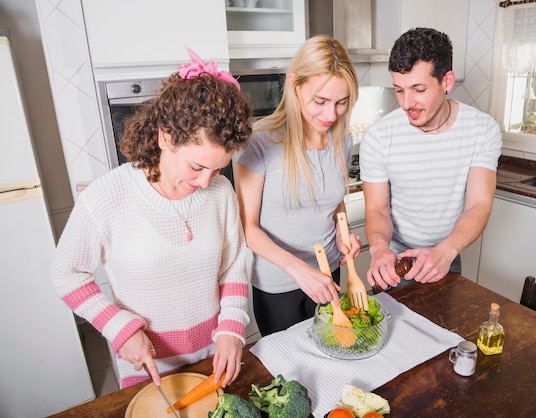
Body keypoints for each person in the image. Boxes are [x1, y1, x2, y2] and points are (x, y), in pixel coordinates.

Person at [51, 50, 253, 390]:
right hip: (146, 364)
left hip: (211, 355)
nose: (206, 181)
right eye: (197, 166)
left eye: (219, 168)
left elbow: (233, 265)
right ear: (165, 137)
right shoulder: (106, 196)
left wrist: (232, 326)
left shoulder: (220, 192)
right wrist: (118, 327)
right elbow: (65, 273)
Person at [235, 35, 361, 336]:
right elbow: (247, 228)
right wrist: (299, 270)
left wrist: (345, 236)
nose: (331, 115)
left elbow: (334, 201)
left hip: (330, 272)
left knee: (331, 350)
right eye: (320, 101)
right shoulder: (261, 143)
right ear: (295, 85)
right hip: (279, 284)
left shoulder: (342, 139)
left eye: (341, 102)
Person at [360, 27, 502, 291]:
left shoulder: (482, 130)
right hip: (394, 261)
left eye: (418, 89)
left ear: (447, 81)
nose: (406, 103)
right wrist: (379, 249)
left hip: (445, 255)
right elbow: (377, 209)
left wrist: (446, 251)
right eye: (399, 90)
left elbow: (478, 205)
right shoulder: (379, 136)